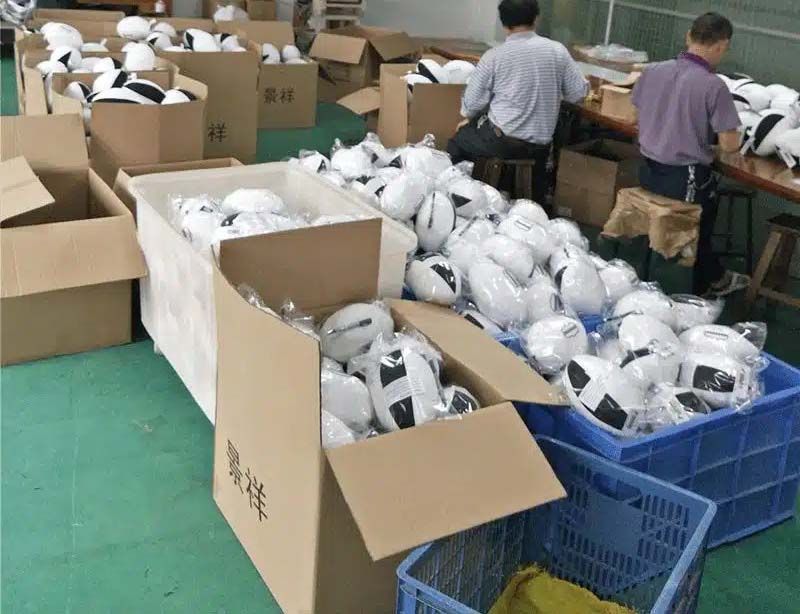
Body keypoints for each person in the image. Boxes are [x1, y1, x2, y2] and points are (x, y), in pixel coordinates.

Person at [632, 12, 747, 297]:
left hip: (648, 170)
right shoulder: (713, 86)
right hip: (684, 177)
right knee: (697, 226)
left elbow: (635, 114)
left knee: (660, 226)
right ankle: (698, 288)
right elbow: (729, 145)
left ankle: (700, 278)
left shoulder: (652, 71)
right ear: (721, 46)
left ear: (688, 36)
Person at [446, 0, 589, 204]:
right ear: (536, 19)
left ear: (504, 24)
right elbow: (578, 93)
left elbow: (470, 105)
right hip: (541, 148)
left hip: (502, 142)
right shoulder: (557, 51)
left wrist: (471, 118)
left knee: (459, 141)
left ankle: (458, 199)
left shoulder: (494, 57)